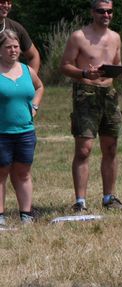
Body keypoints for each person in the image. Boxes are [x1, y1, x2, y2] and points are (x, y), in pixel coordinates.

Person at [60, 0, 122, 212]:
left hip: (109, 94)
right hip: (86, 93)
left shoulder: (115, 37)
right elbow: (65, 66)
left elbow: (116, 65)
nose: (106, 15)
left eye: (109, 11)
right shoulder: (78, 36)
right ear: (92, 12)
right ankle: (80, 201)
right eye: (101, 11)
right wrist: (84, 73)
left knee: (111, 147)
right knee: (84, 149)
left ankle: (109, 198)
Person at [0, 30, 43, 226]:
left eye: (16, 46)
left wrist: (35, 106)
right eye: (8, 47)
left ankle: (26, 215)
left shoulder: (27, 70)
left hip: (25, 132)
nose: (13, 50)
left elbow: (39, 87)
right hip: (2, 133)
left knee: (23, 172)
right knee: (1, 173)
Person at [0, 0, 40, 72]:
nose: (6, 5)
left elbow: (33, 56)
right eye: (2, 2)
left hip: (11, 78)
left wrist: (29, 77)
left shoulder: (16, 28)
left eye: (9, 2)